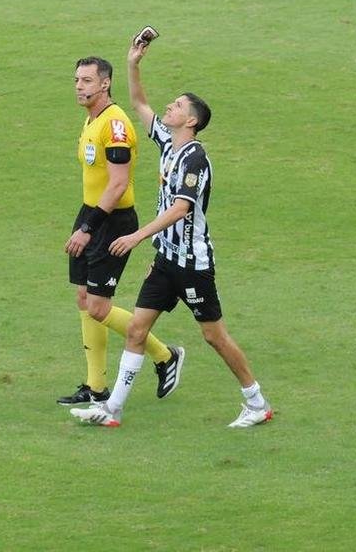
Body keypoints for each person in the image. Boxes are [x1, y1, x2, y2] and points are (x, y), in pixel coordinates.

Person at [71, 41, 273, 428]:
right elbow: (138, 103)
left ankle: (256, 402)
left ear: (191, 120)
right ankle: (112, 410)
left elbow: (181, 208)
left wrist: (136, 237)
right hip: (166, 261)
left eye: (178, 106)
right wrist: (133, 63)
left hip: (193, 265)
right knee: (136, 330)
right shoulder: (167, 141)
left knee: (214, 336)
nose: (170, 107)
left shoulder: (196, 160)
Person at [58, 56, 185, 406]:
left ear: (105, 84)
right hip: (92, 212)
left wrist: (87, 229)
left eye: (87, 81)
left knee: (98, 307)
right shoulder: (92, 119)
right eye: (76, 80)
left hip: (111, 221)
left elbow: (117, 185)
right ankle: (95, 386)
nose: (79, 86)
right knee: (84, 298)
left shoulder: (115, 125)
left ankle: (165, 355)